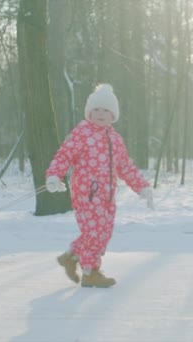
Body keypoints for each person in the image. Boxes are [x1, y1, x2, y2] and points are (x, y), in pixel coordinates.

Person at [45, 84, 153, 288]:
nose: (100, 114)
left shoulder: (115, 139)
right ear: (89, 113)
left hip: (108, 195)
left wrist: (142, 187)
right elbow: (64, 154)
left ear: (113, 115)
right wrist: (54, 176)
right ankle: (90, 272)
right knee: (94, 233)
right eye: (96, 110)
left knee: (103, 233)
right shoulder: (82, 133)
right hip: (86, 194)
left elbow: (125, 166)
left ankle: (70, 257)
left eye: (105, 110)